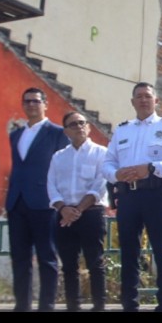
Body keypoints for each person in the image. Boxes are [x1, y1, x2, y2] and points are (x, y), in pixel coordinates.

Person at [102, 82, 162, 312]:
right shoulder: (122, 130)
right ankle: (130, 303)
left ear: (156, 100)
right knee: (129, 252)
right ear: (132, 102)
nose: (143, 100)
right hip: (128, 196)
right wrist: (116, 174)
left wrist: (150, 168)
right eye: (139, 96)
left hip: (157, 194)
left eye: (148, 96)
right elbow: (108, 162)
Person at [6, 87, 68, 312]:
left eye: (36, 101)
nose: (31, 104)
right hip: (17, 202)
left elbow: (63, 168)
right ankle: (22, 305)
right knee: (20, 258)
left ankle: (46, 306)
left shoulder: (57, 133)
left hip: (44, 202)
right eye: (27, 101)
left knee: (47, 257)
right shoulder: (15, 134)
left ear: (45, 104)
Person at [46, 111, 108, 311]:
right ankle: (73, 306)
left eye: (82, 123)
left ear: (88, 127)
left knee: (95, 262)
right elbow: (51, 186)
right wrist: (63, 209)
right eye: (73, 124)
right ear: (66, 131)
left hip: (91, 213)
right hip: (64, 215)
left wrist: (79, 209)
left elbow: (100, 184)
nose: (79, 127)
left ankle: (99, 306)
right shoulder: (58, 157)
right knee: (69, 266)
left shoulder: (101, 153)